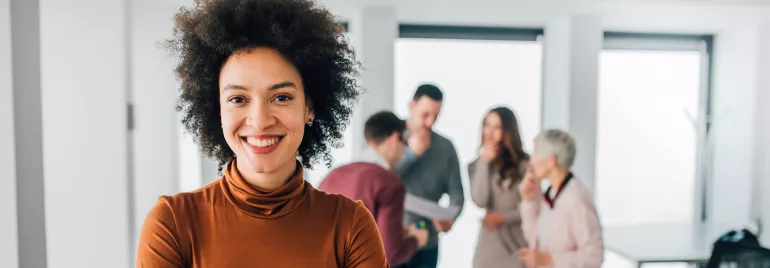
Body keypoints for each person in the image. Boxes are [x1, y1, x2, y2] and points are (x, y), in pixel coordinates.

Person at [136, 0, 388, 267]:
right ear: (217, 110)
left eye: (281, 97)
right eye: (238, 99)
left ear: (309, 108)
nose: (260, 121)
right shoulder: (173, 223)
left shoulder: (351, 225)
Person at [320, 111, 429, 266]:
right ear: (393, 139)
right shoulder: (389, 182)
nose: (403, 152)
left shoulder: (332, 176)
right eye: (403, 143)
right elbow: (390, 254)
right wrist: (416, 240)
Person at [396, 84, 464, 268]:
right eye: (425, 115)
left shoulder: (446, 147)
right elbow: (379, 178)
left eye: (435, 116)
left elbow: (457, 195)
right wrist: (411, 155)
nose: (430, 122)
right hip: (391, 240)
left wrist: (450, 218)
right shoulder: (391, 138)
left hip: (428, 244)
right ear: (411, 106)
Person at [517, 130, 604, 268]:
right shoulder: (552, 193)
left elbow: (594, 256)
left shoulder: (577, 198)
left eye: (536, 154)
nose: (531, 161)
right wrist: (528, 202)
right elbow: (535, 239)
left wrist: (549, 259)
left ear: (551, 160)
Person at [468, 107, 529, 268]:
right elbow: (480, 200)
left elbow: (534, 209)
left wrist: (503, 217)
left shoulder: (524, 165)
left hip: (515, 247)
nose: (489, 133)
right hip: (487, 249)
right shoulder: (476, 165)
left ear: (507, 131)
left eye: (496, 127)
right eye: (486, 125)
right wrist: (484, 162)